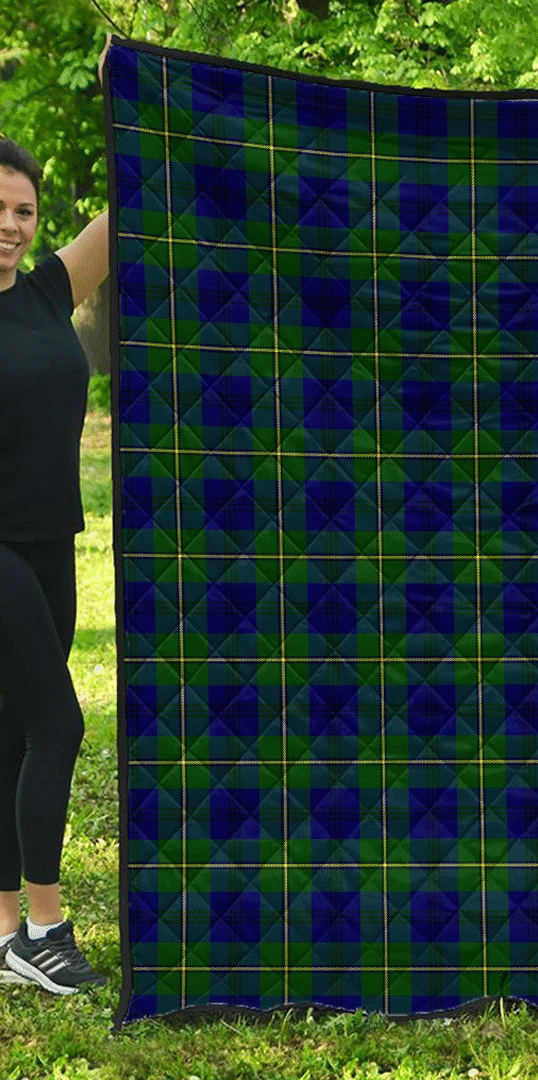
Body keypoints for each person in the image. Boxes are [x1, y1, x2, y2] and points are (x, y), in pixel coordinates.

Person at [0, 135, 109, 992]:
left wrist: (140, 84)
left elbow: (133, 207)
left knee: (10, 730)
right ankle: (44, 927)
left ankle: (5, 933)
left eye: (23, 210)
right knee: (59, 723)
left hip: (50, 542)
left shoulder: (45, 292)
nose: (10, 224)